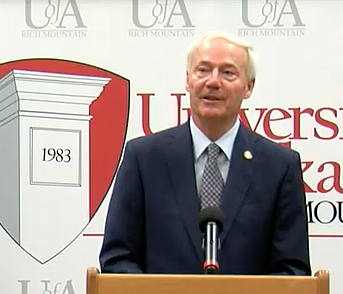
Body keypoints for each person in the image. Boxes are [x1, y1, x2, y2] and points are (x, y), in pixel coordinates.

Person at [99, 31, 311, 276]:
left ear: (248, 87)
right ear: (188, 80)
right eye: (203, 70)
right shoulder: (144, 158)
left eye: (228, 73)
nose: (213, 81)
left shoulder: (279, 166)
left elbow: (292, 270)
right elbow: (117, 259)